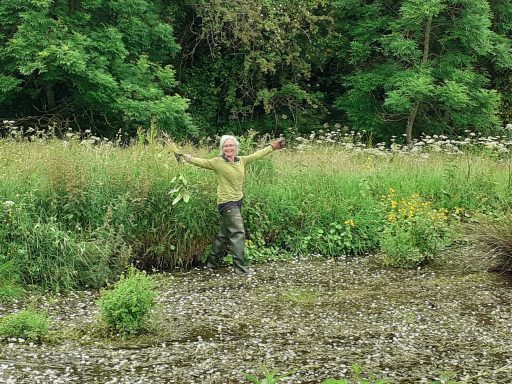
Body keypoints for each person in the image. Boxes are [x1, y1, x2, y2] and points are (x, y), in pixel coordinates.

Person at [182, 135, 284, 274]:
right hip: (227, 203)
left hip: (238, 201)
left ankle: (211, 264)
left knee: (224, 235)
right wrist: (185, 157)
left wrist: (272, 147)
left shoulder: (241, 160)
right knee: (238, 232)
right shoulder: (217, 162)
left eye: (231, 146)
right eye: (226, 146)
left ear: (236, 148)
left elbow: (256, 155)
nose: (229, 148)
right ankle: (239, 268)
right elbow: (201, 162)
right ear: (222, 149)